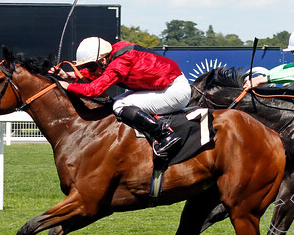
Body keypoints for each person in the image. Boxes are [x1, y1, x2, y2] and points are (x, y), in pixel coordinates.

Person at [50, 37, 190, 155]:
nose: (88, 70)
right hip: (163, 86)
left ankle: (165, 134)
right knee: (112, 104)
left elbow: (93, 90)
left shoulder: (122, 60)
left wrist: (67, 85)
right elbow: (99, 73)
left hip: (175, 90)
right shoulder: (112, 56)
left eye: (90, 66)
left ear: (102, 60)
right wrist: (68, 75)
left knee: (119, 105)